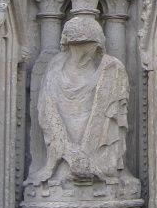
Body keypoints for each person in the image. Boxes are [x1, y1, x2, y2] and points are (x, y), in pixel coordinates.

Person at [28, 16, 130, 184]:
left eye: (89, 46)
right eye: (77, 46)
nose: (85, 51)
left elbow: (112, 118)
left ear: (98, 45)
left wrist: (87, 157)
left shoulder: (111, 69)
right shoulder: (55, 65)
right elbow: (47, 112)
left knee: (105, 168)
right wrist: (69, 153)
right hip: (63, 150)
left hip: (98, 151)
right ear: (67, 45)